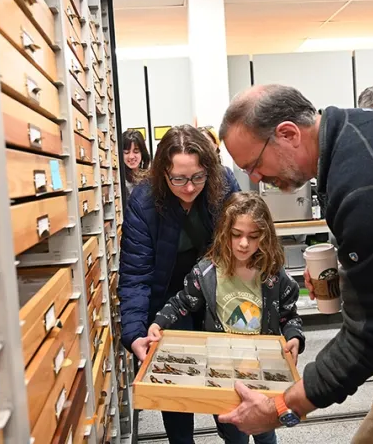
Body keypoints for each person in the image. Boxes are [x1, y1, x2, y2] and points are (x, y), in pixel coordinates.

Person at [216, 84, 373, 443]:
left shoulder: (365, 185)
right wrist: (351, 281)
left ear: (288, 133)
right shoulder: (352, 135)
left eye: (254, 164)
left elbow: (369, 335)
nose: (254, 178)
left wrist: (284, 406)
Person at [136, 191, 305, 444]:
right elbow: (183, 301)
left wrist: (294, 338)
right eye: (236, 235)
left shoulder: (273, 274)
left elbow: (289, 315)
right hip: (223, 372)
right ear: (225, 233)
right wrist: (159, 322)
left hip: (263, 371)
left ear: (265, 236)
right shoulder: (207, 272)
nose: (244, 243)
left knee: (265, 432)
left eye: (253, 236)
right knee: (234, 433)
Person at [118, 125, 240, 444]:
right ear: (162, 174)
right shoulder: (144, 202)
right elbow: (135, 275)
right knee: (176, 394)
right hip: (169, 302)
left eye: (197, 177)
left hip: (220, 297)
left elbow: (247, 247)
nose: (188, 188)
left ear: (209, 171)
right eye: (179, 179)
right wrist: (134, 334)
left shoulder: (225, 185)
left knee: (228, 393)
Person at [122, 129, 151, 199]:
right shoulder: (120, 180)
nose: (131, 156)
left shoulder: (150, 178)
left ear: (142, 153)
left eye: (136, 151)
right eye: (126, 152)